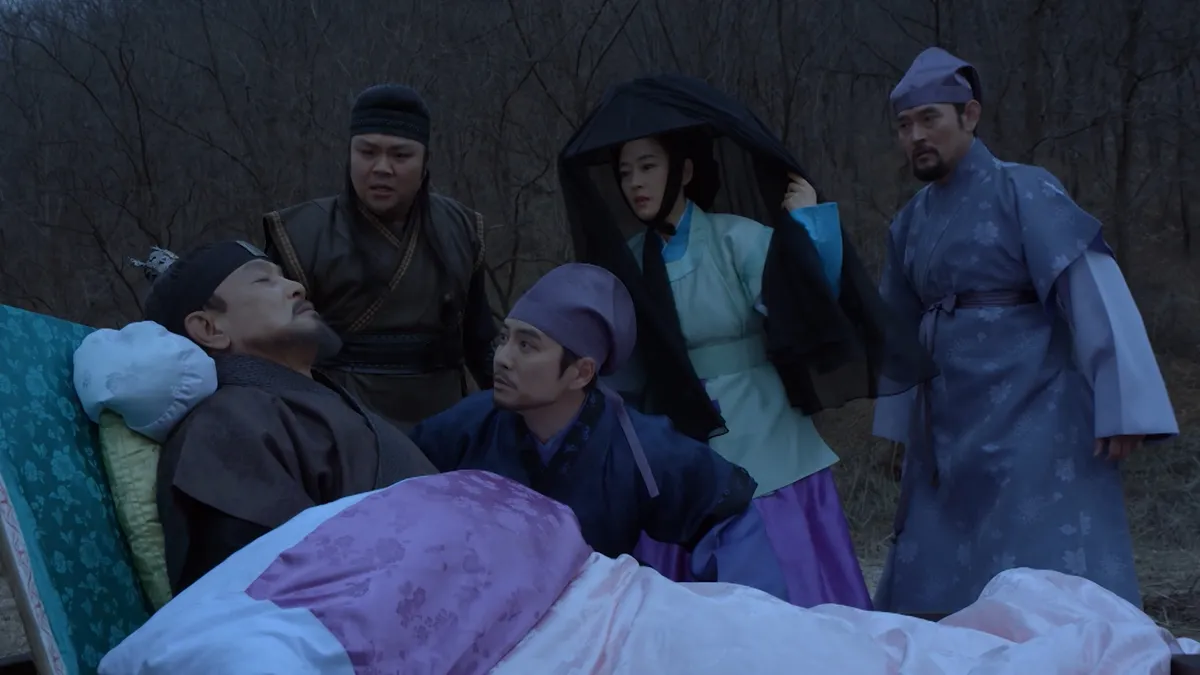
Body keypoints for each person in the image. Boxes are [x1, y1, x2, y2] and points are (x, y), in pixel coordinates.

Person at [554, 75, 937, 609]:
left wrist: (807, 227)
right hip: (674, 430)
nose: (635, 183)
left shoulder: (739, 239)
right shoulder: (629, 262)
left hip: (761, 425)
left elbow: (810, 311)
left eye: (648, 166)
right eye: (624, 172)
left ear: (684, 171)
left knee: (781, 580)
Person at [871, 47, 1179, 614]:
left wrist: (1122, 404)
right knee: (940, 581)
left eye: (930, 119)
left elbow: (1092, 292)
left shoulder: (1025, 191)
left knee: (1037, 577)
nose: (916, 136)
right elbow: (896, 328)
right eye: (904, 125)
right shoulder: (910, 221)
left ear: (970, 115)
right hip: (947, 420)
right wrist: (897, 427)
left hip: (1034, 411)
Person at [408, 263, 790, 600]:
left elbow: (725, 517)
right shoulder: (469, 426)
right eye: (503, 338)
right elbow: (396, 503)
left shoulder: (640, 447)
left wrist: (751, 626)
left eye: (526, 345)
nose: (503, 358)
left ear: (581, 372)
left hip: (595, 622)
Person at [134, 240, 438, 593]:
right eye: (263, 280)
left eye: (284, 277)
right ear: (209, 329)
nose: (297, 287)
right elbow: (274, 594)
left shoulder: (311, 403)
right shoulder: (225, 428)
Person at [263, 84, 496, 430]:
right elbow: (268, 349)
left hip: (443, 418)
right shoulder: (301, 234)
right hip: (340, 417)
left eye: (400, 156)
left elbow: (480, 341)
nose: (382, 168)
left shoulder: (460, 229)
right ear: (350, 154)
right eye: (367, 152)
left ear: (425, 161)